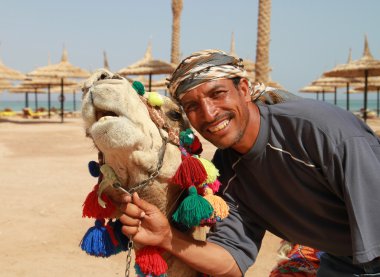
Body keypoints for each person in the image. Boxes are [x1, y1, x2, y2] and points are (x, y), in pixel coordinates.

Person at [117, 49, 380, 276]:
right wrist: (167, 238)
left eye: (217, 94)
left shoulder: (322, 133)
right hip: (342, 260)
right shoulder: (228, 173)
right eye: (193, 106)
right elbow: (231, 260)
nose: (209, 114)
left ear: (243, 89)